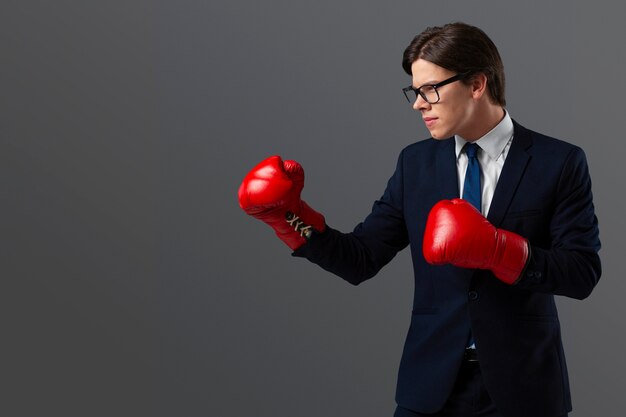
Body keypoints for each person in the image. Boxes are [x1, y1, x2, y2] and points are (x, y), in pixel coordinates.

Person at [238, 22, 601, 417]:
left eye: (430, 89)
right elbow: (360, 259)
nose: (418, 103)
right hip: (430, 387)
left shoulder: (558, 161)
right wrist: (289, 217)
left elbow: (581, 273)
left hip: (525, 389)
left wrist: (499, 249)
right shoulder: (416, 164)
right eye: (415, 91)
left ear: (477, 84)